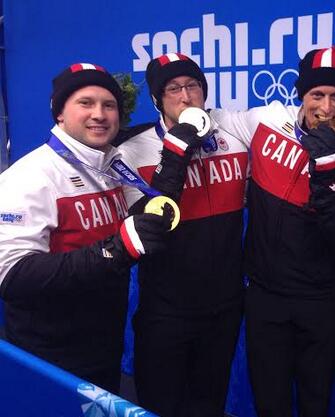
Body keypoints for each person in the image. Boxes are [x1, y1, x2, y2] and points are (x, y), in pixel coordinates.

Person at [210, 46, 335, 417]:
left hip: (318, 301)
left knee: (315, 402)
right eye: (317, 94)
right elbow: (212, 119)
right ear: (302, 93)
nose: (327, 106)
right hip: (264, 295)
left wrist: (326, 171)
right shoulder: (268, 119)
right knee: (269, 401)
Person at [0, 63, 170, 393]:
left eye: (109, 105)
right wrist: (113, 252)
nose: (100, 114)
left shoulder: (113, 165)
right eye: (86, 103)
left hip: (103, 344)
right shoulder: (30, 176)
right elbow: (11, 277)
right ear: (59, 113)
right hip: (49, 356)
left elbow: (138, 216)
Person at [117, 53, 248, 417]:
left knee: (209, 405)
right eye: (173, 89)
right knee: (162, 405)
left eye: (193, 86)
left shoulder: (234, 137)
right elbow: (150, 224)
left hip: (223, 308)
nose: (186, 96)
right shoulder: (132, 151)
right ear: (158, 100)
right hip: (166, 312)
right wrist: (175, 151)